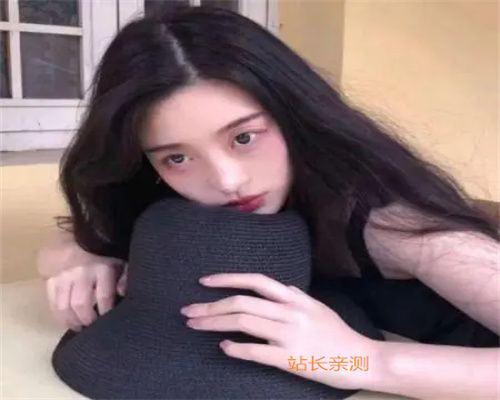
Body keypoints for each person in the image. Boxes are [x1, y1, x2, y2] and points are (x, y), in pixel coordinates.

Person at [36, 5, 499, 399]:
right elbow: (62, 243)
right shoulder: (178, 203)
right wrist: (86, 252)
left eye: (243, 137)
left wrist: (364, 360)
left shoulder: (391, 221)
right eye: (177, 156)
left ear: (293, 115)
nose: (227, 181)